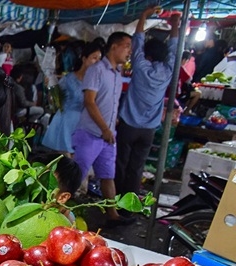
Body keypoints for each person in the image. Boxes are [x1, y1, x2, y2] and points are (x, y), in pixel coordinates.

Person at [115, 8, 179, 200]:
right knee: (137, 167)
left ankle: (115, 198)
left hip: (129, 124)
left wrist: (143, 16)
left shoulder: (140, 66)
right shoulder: (168, 71)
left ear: (147, 55)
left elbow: (138, 40)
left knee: (121, 162)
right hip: (149, 128)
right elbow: (175, 48)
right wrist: (175, 25)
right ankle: (131, 201)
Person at [72, 31, 132, 227]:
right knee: (76, 174)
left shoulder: (117, 74)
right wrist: (105, 128)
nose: (129, 51)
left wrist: (110, 126)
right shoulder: (97, 70)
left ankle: (112, 214)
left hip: (107, 136)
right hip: (90, 133)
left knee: (108, 175)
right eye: (126, 46)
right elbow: (90, 102)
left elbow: (110, 103)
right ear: (114, 47)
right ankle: (59, 210)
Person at [42, 42, 103, 154]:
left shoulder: (98, 82)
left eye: (100, 59)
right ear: (84, 59)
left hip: (85, 125)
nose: (98, 62)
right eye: (94, 58)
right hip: (66, 123)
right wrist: (50, 89)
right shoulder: (69, 79)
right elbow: (55, 102)